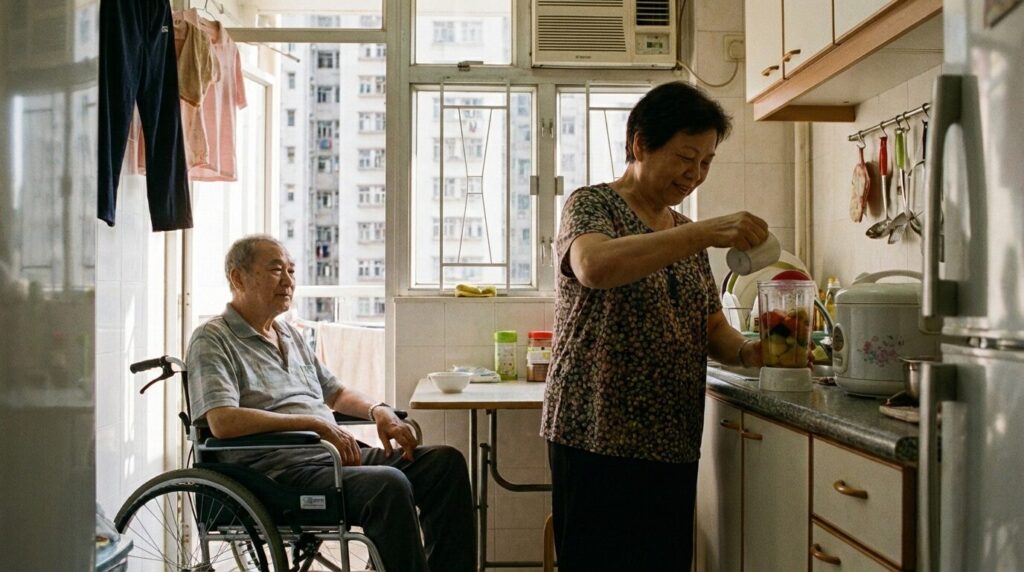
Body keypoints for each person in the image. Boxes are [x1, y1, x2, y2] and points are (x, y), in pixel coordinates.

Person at [540, 81, 768, 571]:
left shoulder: (683, 230)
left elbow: (710, 327)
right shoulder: (591, 205)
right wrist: (703, 232)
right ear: (640, 143)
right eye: (687, 157)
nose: (695, 174)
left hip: (671, 442)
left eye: (706, 162)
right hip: (596, 434)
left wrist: (750, 350)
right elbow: (594, 267)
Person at [186, 234, 475, 572]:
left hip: (329, 458)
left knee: (444, 464)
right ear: (238, 278)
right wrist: (315, 425)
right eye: (277, 269)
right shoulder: (213, 338)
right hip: (277, 475)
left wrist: (378, 410)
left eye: (292, 271)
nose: (289, 281)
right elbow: (222, 420)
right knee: (388, 484)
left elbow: (335, 393)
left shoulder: (288, 334)